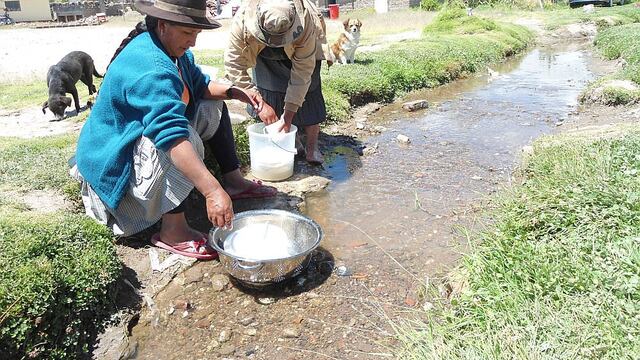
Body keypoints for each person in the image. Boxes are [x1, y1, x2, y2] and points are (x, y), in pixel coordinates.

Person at [71, 0, 276, 260]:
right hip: (113, 163)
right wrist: (212, 192)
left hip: (133, 144)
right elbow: (171, 134)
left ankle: (233, 182)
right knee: (182, 138)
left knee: (212, 107)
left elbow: (200, 85)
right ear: (163, 25)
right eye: (188, 33)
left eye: (196, 34)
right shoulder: (152, 67)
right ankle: (173, 230)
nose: (193, 42)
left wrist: (236, 92)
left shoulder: (171, 51)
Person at [224, 0, 329, 164]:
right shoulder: (243, 20)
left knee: (310, 91)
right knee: (269, 90)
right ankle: (292, 142)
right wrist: (259, 105)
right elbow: (233, 65)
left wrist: (288, 116)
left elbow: (302, 74)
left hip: (304, 47)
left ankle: (312, 148)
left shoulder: (306, 22)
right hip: (261, 51)